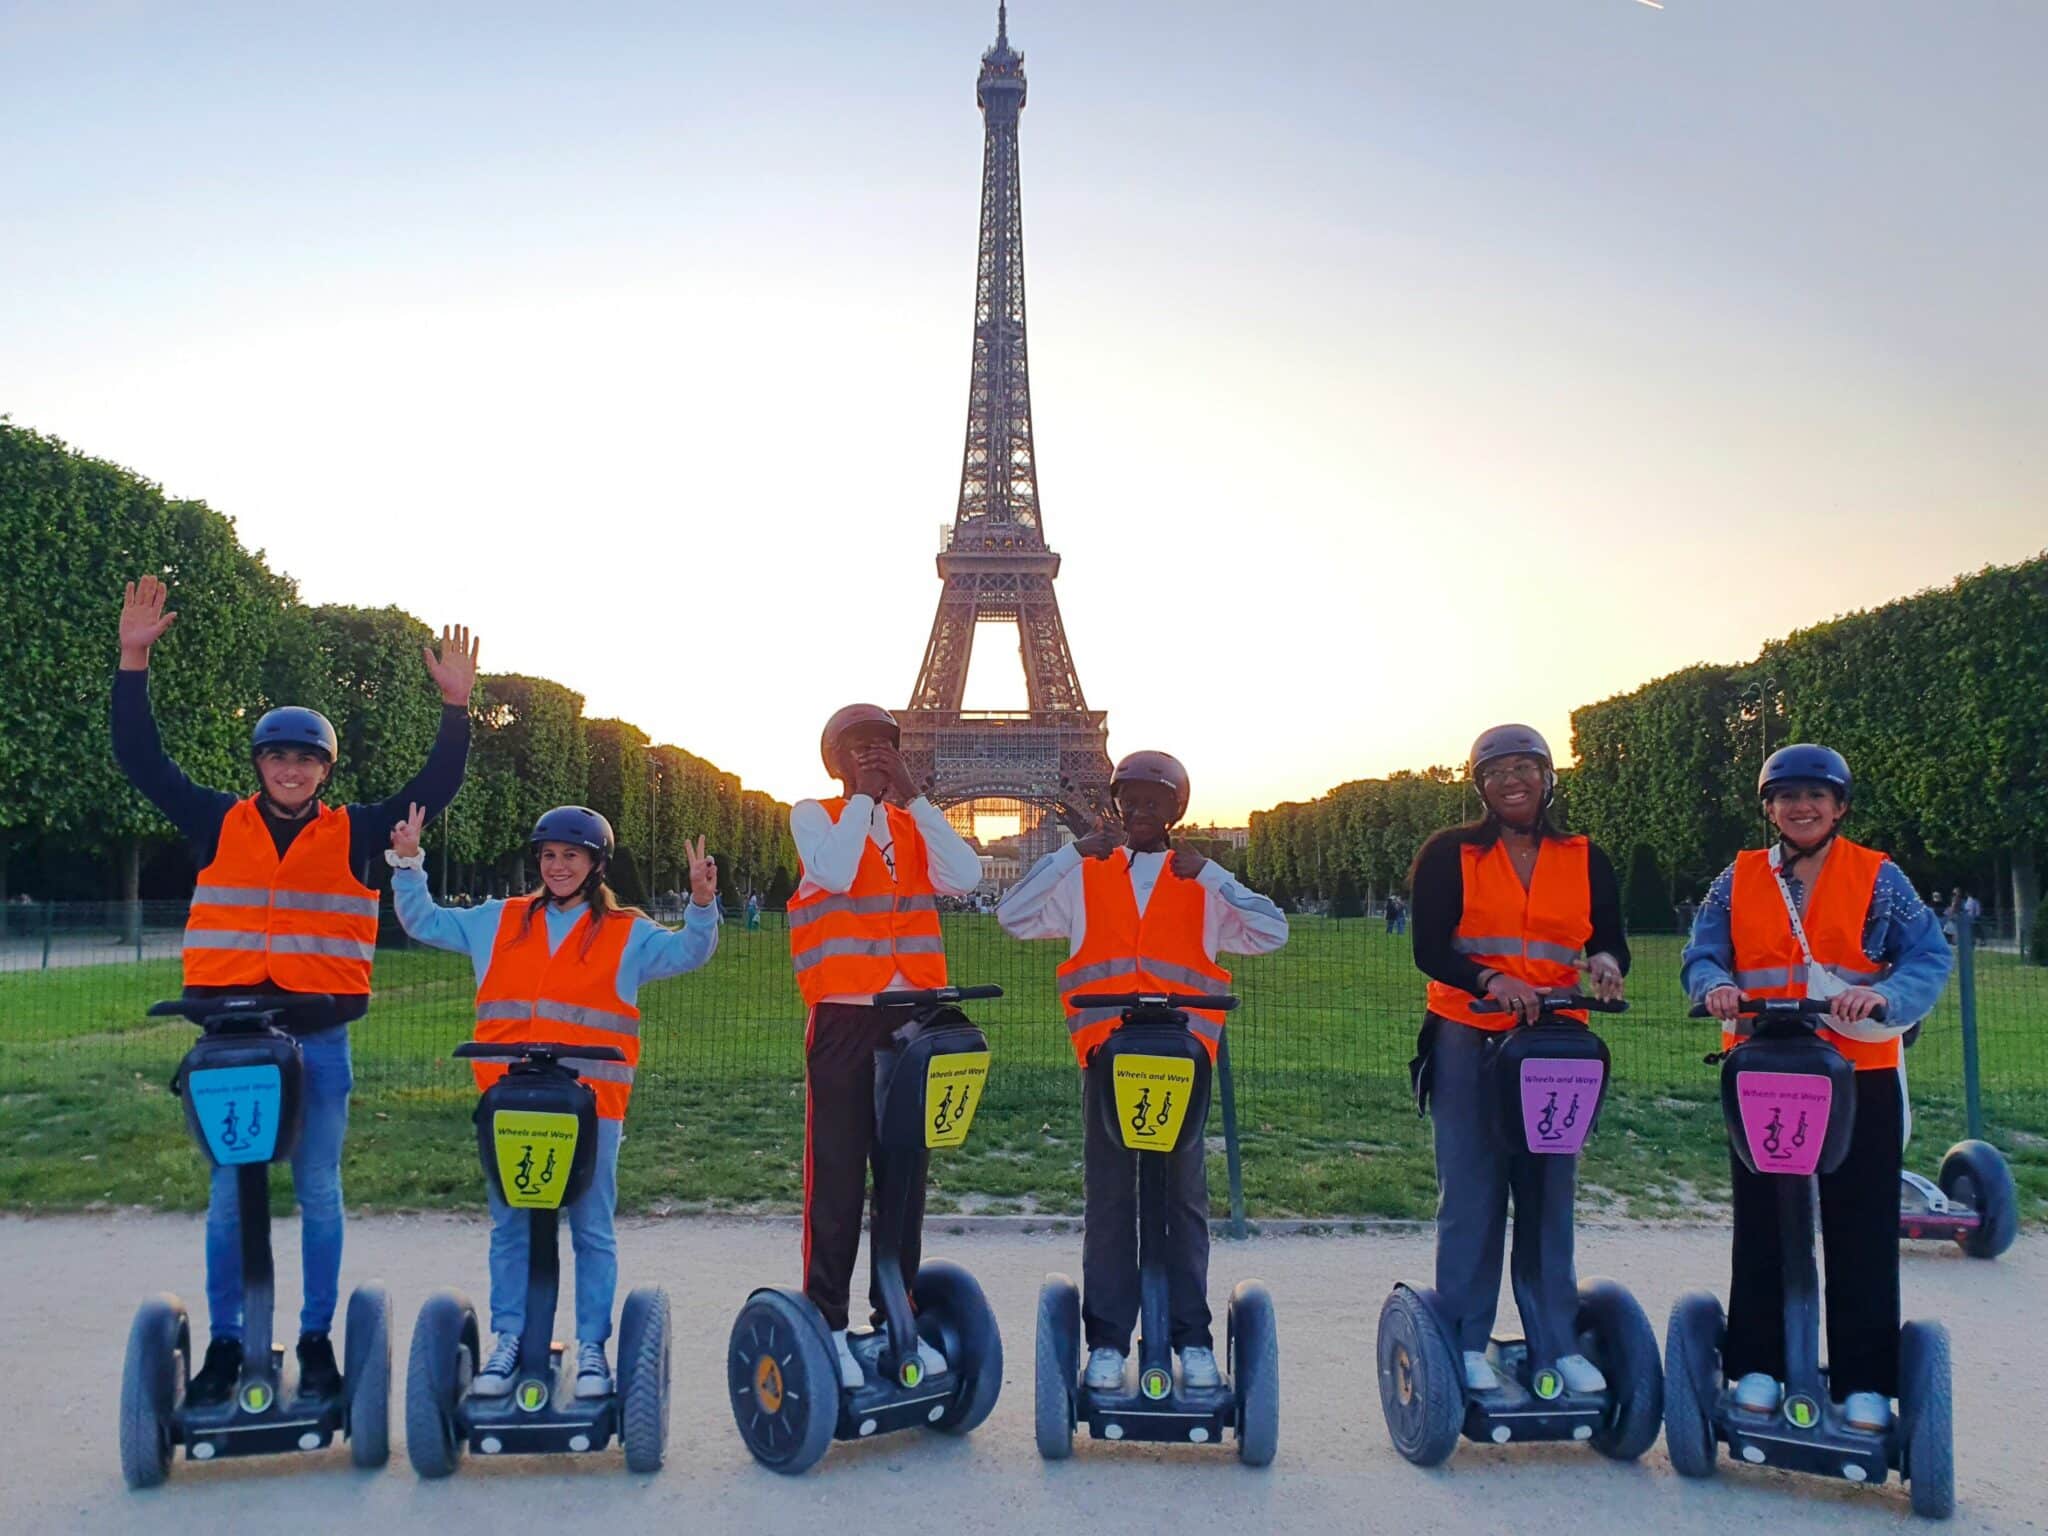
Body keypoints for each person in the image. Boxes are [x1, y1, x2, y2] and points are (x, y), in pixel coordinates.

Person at [111, 574, 477, 1406]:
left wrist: (455, 712)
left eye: (306, 758)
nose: (290, 769)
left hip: (316, 1038)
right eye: (278, 756)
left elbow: (435, 790)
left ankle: (314, 1337)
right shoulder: (218, 821)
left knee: (316, 1188)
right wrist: (133, 664)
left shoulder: (353, 833)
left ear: (323, 770)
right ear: (260, 765)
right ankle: (228, 1341)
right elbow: (142, 760)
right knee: (227, 1200)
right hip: (230, 1038)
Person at [389, 803, 720, 1398]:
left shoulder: (627, 931)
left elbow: (688, 954)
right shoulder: (499, 920)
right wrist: (409, 864)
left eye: (571, 856)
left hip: (592, 1105)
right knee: (509, 1224)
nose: (558, 866)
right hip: (510, 1101)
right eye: (549, 856)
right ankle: (510, 1337)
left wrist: (701, 904)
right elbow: (424, 922)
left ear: (595, 864)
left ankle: (591, 1345)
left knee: (592, 1227)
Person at [998, 751, 1288, 1392]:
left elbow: (1272, 932)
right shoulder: (1086, 875)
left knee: (1183, 1199)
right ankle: (1106, 1339)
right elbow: (1012, 917)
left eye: (1155, 800)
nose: (1140, 810)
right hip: (1106, 1055)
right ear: (1116, 803)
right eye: (1130, 798)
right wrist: (1069, 855)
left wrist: (1212, 874)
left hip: (1183, 1059)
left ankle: (1192, 1336)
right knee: (1111, 1199)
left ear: (1177, 808)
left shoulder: (1201, 880)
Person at [1682, 744, 1952, 1433]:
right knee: (1764, 1224)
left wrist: (1885, 996)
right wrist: (1712, 985)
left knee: (1861, 1226)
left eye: (1816, 795)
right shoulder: (1737, 877)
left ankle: (1864, 1380)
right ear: (1768, 807)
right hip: (1766, 1070)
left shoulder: (1878, 876)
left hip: (1856, 1073)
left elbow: (1928, 953)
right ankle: (1758, 1369)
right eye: (1786, 796)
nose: (1801, 806)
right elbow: (1703, 948)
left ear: (1839, 806)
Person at [1408, 724, 1627, 1396]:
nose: (1512, 781)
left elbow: (1611, 936)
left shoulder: (1585, 856)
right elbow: (1430, 947)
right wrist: (1489, 980)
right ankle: (1468, 1338)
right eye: (1497, 772)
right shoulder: (1449, 853)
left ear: (1547, 776)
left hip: (1556, 1040)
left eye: (1524, 768)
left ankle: (1556, 1343)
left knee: (1548, 1192)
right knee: (1472, 1193)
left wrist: (1606, 963)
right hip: (1468, 1033)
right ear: (1480, 785)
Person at [788, 703, 984, 1389]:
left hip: (914, 1022)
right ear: (835, 761)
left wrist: (915, 797)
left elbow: (967, 876)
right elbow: (838, 874)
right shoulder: (813, 815)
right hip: (845, 1019)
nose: (873, 755)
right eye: (859, 747)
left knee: (904, 1183)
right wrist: (863, 802)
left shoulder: (911, 826)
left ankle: (895, 1314)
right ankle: (829, 1324)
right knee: (838, 1180)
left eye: (884, 746)